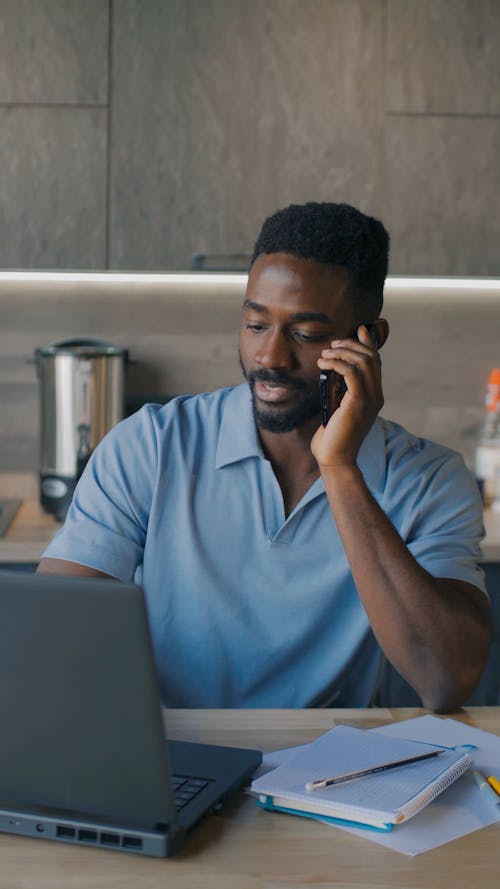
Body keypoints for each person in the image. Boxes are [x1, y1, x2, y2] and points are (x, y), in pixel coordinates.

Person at [38, 201, 490, 712]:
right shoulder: (150, 446)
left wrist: (340, 470)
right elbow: (49, 638)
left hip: (334, 774)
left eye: (306, 334)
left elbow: (447, 679)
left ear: (370, 340)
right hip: (173, 761)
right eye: (256, 325)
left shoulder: (430, 480)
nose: (269, 358)